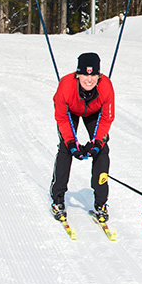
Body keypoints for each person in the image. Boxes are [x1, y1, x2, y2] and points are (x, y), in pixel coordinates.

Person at [50, 52, 115, 223]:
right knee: (65, 149)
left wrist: (97, 143)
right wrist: (72, 144)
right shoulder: (65, 86)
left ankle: (101, 203)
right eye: (85, 74)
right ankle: (58, 199)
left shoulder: (106, 86)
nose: (89, 79)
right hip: (70, 111)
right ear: (77, 74)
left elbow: (107, 117)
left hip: (94, 112)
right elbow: (62, 118)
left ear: (99, 76)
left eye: (94, 74)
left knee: (102, 151)